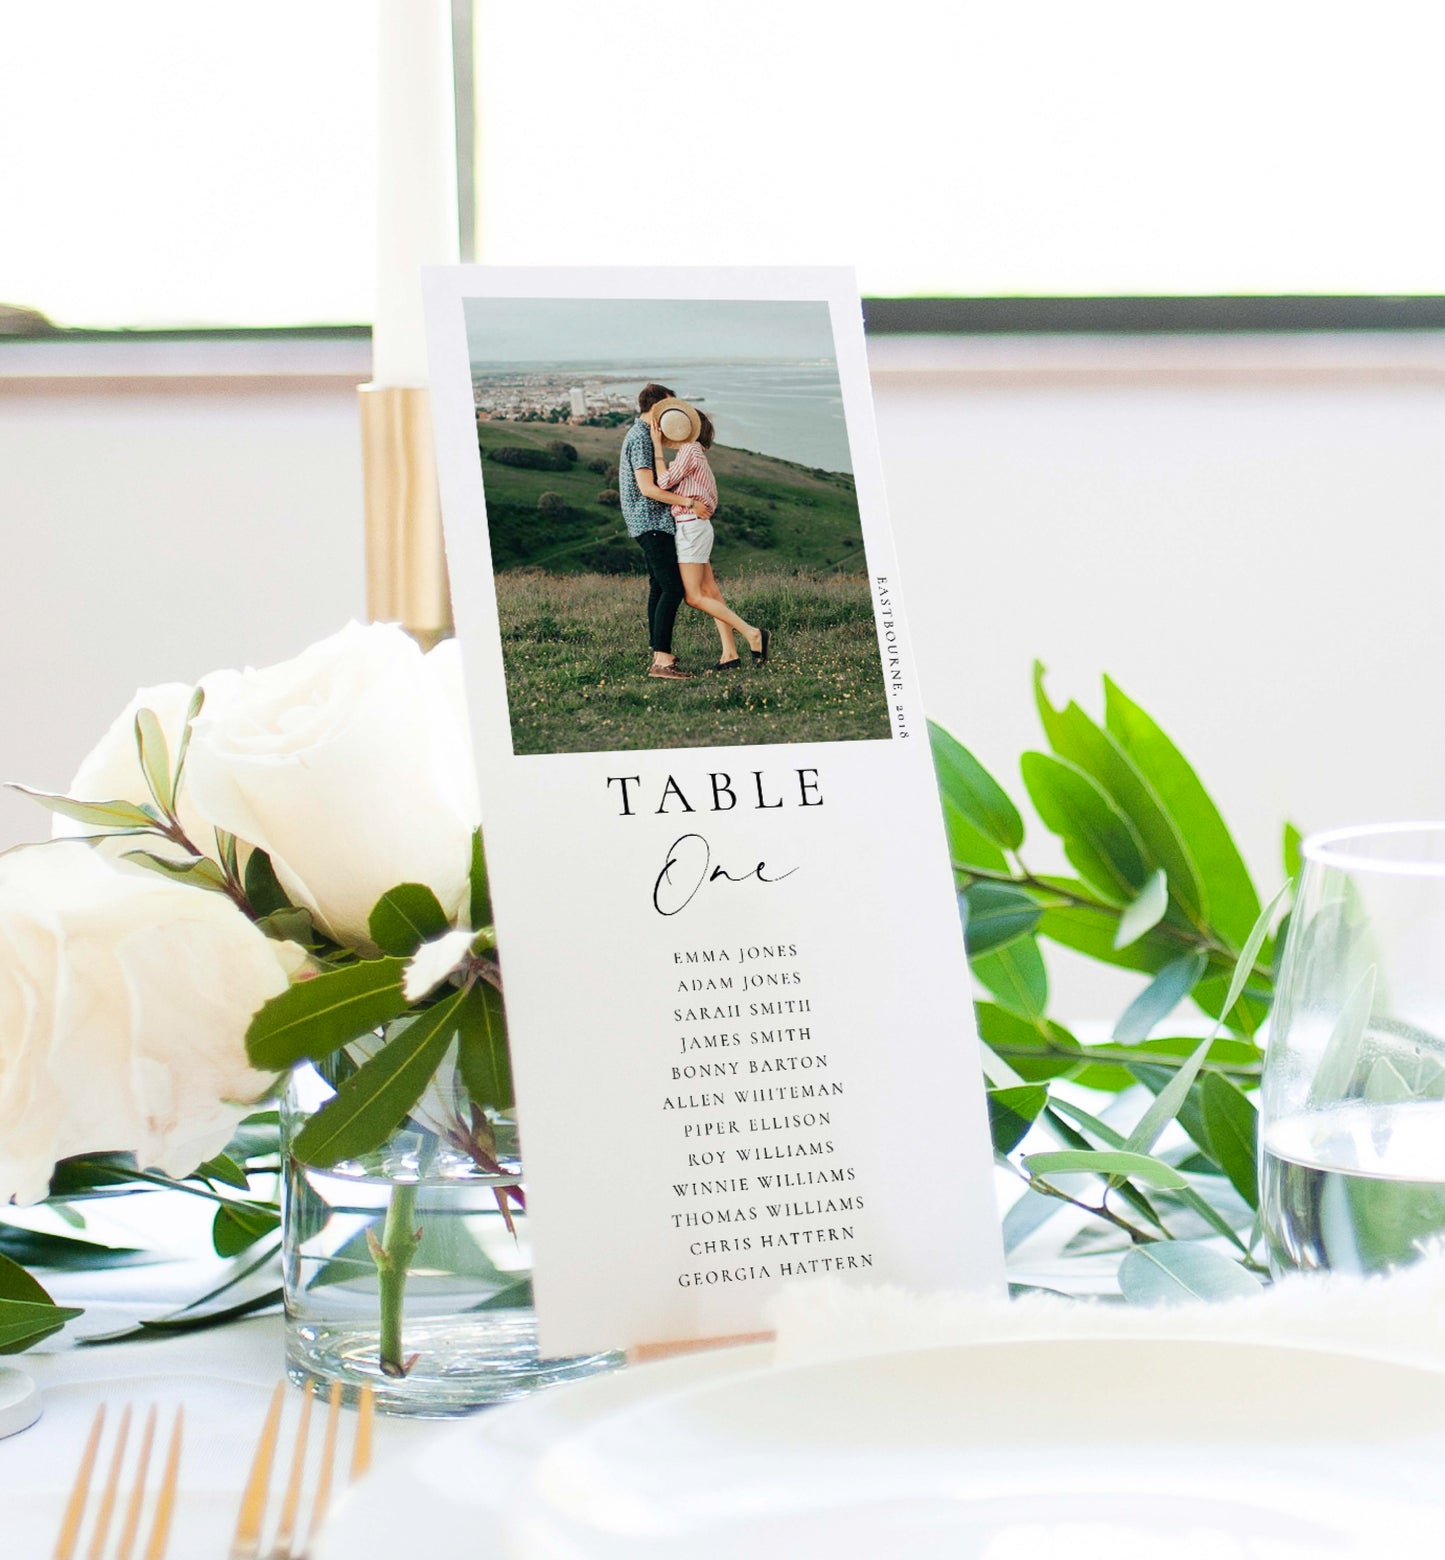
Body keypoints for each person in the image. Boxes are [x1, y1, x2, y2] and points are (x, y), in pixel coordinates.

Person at [650, 407, 769, 669]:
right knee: (710, 591)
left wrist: (657, 447)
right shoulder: (695, 453)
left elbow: (664, 482)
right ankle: (730, 654)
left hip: (691, 528)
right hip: (695, 527)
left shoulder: (689, 450)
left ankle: (752, 633)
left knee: (693, 597)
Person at [617, 383, 712, 681]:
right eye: (670, 406)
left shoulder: (643, 435)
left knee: (658, 586)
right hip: (651, 522)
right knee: (673, 588)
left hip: (649, 522)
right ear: (657, 407)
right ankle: (661, 661)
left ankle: (659, 649)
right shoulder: (641, 438)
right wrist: (690, 502)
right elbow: (648, 489)